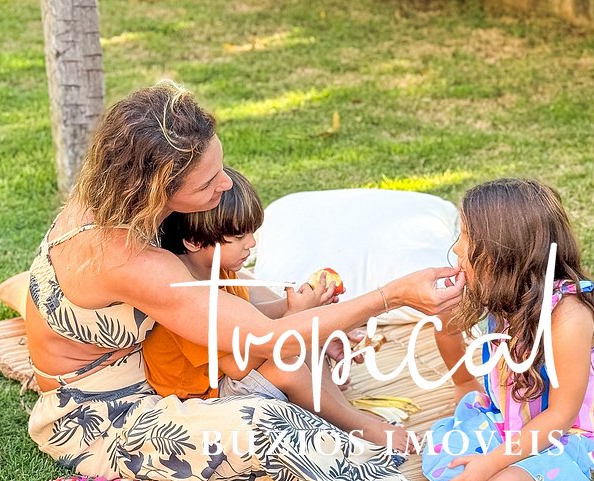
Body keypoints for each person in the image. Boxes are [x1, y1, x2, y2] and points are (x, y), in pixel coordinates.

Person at [25, 81, 464, 481]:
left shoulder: (115, 201)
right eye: (207, 183)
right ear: (158, 188)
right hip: (105, 418)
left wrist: (305, 317)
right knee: (267, 427)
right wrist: (393, 295)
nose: (225, 187)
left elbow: (246, 312)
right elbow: (265, 339)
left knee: (299, 342)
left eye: (220, 168)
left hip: (162, 365)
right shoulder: (129, 258)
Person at [379, 178, 594, 481]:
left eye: (466, 238)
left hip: (575, 435)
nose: (456, 249)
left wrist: (492, 465)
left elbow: (560, 417)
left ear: (502, 256)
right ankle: (489, 450)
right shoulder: (500, 292)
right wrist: (464, 379)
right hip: (516, 417)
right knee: (452, 457)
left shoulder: (568, 317)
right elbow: (448, 328)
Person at [143, 166, 407, 448]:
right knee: (288, 364)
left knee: (303, 335)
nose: (251, 244)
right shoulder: (188, 293)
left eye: (252, 233)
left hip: (226, 374)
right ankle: (357, 426)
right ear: (194, 241)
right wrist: (295, 315)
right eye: (239, 237)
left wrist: (298, 307)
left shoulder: (216, 267)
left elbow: (249, 317)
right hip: (201, 397)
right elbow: (236, 366)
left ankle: (342, 413)